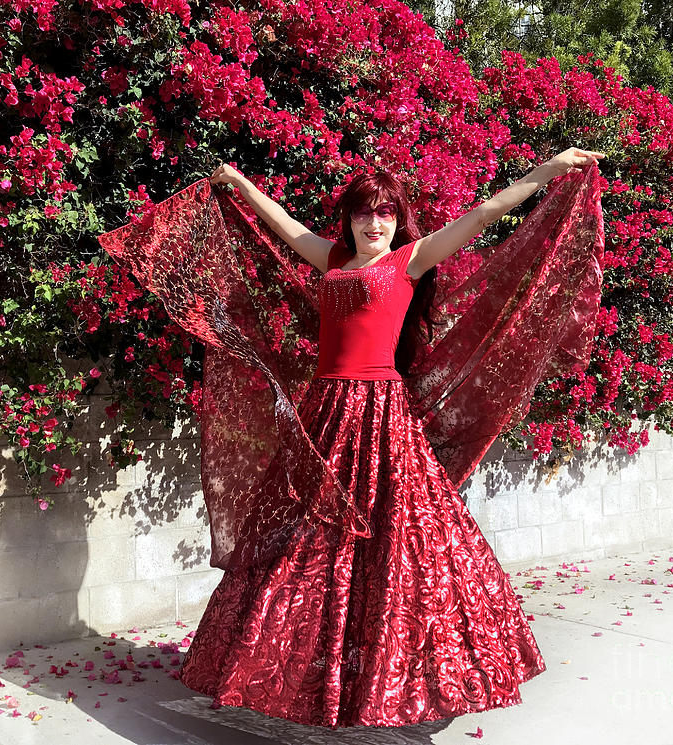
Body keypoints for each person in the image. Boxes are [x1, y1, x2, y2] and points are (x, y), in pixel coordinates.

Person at [169, 148, 606, 729]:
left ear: (398, 221)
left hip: (379, 413)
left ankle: (392, 676)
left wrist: (546, 173)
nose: (374, 224)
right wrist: (241, 182)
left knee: (399, 545)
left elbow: (483, 214)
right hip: (325, 412)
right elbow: (288, 226)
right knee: (306, 543)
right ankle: (298, 674)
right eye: (363, 213)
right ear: (348, 218)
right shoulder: (332, 260)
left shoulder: (409, 261)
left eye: (385, 214)